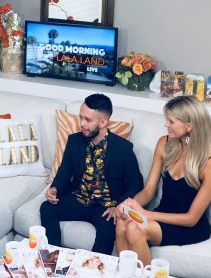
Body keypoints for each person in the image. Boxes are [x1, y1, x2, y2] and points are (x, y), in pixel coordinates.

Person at [115, 96, 211, 265]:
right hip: (161, 216)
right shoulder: (164, 143)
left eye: (171, 121)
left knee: (135, 228)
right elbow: (148, 191)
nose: (166, 125)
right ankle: (125, 277)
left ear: (189, 126)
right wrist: (128, 205)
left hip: (189, 227)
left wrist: (147, 214)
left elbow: (191, 218)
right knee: (122, 222)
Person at [40, 93, 143, 255]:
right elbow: (64, 173)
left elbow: (136, 183)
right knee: (46, 208)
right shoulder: (74, 141)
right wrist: (54, 189)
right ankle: (54, 258)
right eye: (81, 117)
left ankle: (93, 267)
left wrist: (118, 206)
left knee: (108, 230)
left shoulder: (123, 148)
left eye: (88, 120)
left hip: (105, 207)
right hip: (78, 200)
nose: (82, 124)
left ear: (103, 122)